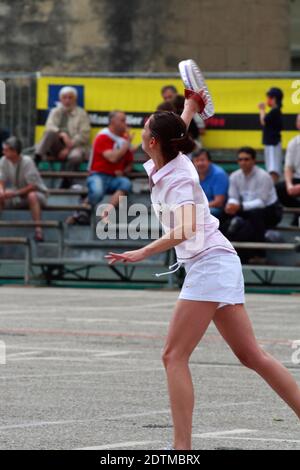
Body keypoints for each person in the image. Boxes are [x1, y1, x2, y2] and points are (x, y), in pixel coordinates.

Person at [105, 96, 300, 450]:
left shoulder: (178, 177)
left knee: (173, 355)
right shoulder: (172, 158)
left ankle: (182, 450)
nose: (141, 130)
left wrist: (143, 251)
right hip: (216, 260)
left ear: (152, 142)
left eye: (145, 127)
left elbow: (185, 229)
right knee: (251, 355)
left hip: (210, 262)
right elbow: (175, 131)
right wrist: (190, 108)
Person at [66, 110, 134, 225]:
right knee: (97, 191)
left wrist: (123, 171)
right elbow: (113, 157)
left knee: (126, 183)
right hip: (98, 174)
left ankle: (105, 211)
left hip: (113, 178)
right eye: (122, 120)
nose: (125, 123)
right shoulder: (102, 136)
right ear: (113, 121)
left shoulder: (122, 139)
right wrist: (126, 145)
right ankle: (81, 209)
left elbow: (129, 164)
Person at [223, 146, 282, 261]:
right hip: (248, 210)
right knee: (225, 216)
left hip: (271, 211)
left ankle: (260, 254)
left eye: (246, 159)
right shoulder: (235, 176)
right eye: (240, 159)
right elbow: (233, 197)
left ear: (254, 161)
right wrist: (231, 205)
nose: (243, 162)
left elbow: (262, 202)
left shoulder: (264, 176)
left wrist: (239, 207)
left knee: (254, 216)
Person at [0, 137, 48, 241]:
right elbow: (1, 180)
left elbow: (32, 186)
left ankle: (38, 230)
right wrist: (2, 191)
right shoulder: (3, 160)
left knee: (32, 196)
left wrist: (14, 194)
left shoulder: (27, 162)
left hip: (37, 194)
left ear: (14, 151)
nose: (3, 152)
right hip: (17, 194)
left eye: (6, 150)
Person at [35, 86, 91, 173]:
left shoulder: (82, 114)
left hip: (75, 146)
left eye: (70, 98)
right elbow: (49, 126)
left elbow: (84, 135)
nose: (67, 100)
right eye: (64, 98)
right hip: (57, 145)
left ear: (75, 99)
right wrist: (61, 133)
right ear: (60, 99)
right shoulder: (55, 111)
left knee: (75, 157)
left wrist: (68, 147)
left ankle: (66, 180)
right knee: (50, 133)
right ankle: (36, 159)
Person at [276, 113, 300, 225]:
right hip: (297, 179)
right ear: (297, 124)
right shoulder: (293, 143)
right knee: (279, 188)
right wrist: (289, 185)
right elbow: (288, 167)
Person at [192, 148, 228, 218]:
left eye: (202, 160)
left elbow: (218, 202)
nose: (200, 163)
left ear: (209, 161)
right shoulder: (192, 174)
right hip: (198, 208)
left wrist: (197, 208)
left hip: (216, 209)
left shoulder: (219, 174)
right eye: (197, 160)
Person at [258, 87, 284, 183]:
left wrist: (262, 109)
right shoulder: (274, 111)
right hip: (270, 143)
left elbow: (263, 121)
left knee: (273, 169)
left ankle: (274, 188)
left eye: (269, 97)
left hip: (273, 143)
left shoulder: (275, 111)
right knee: (270, 168)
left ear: (274, 99)